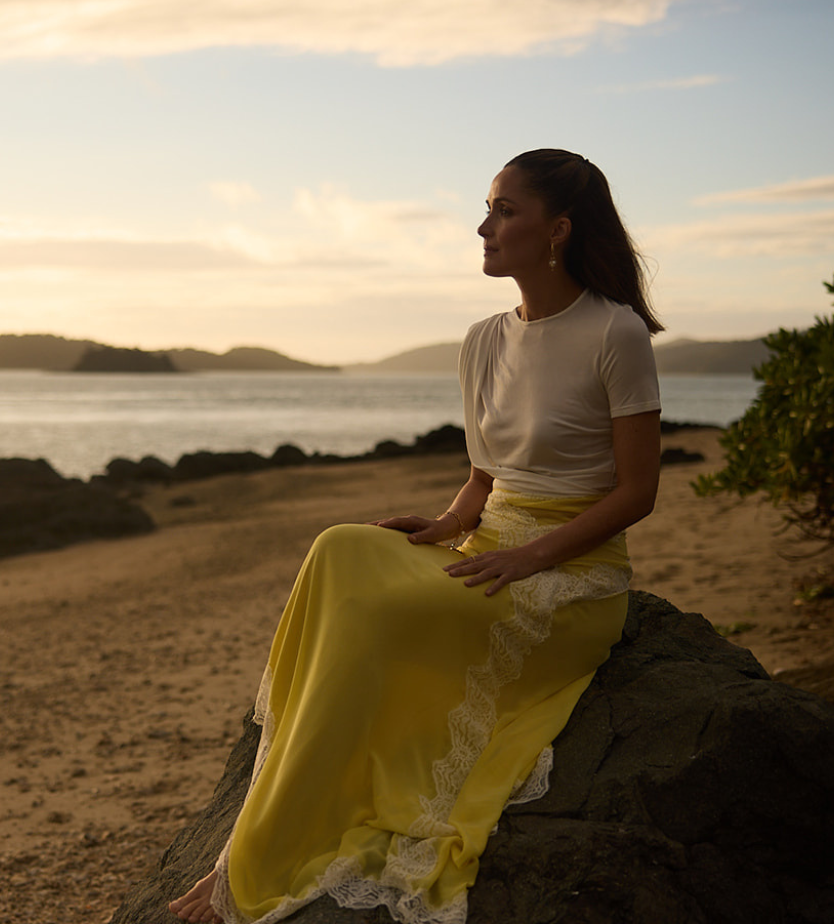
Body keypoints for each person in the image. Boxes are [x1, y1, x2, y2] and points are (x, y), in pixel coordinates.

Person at [168, 149, 665, 924]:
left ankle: (256, 858)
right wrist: (446, 525)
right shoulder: (484, 340)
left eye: (505, 211)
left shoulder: (616, 333)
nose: (484, 226)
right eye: (488, 208)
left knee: (376, 621)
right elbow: (483, 475)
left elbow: (639, 492)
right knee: (339, 547)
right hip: (488, 548)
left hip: (569, 578)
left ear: (558, 229)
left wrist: (528, 555)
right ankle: (273, 810)